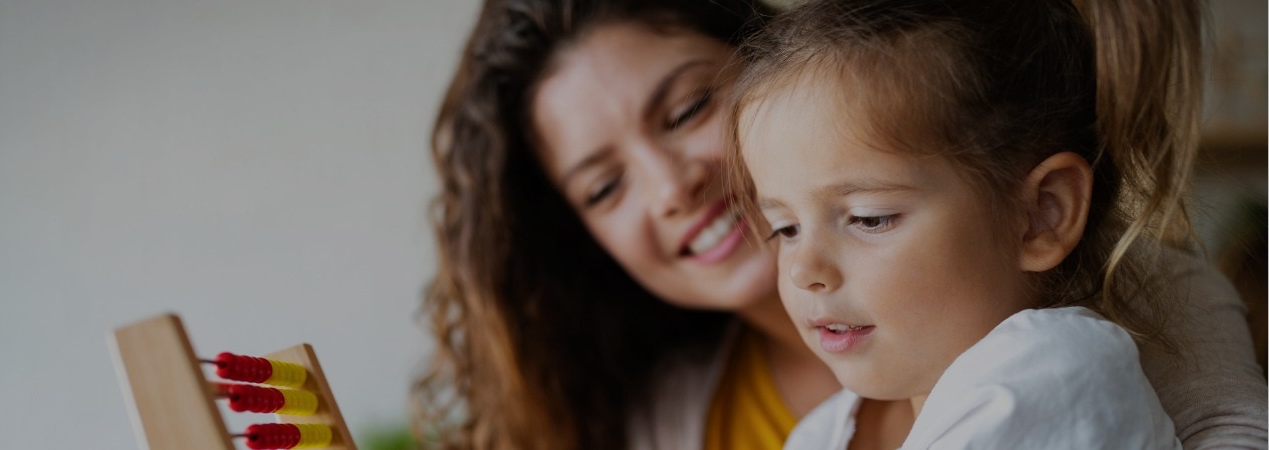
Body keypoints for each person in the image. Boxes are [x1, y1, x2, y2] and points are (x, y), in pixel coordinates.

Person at [415, 0, 1268, 449]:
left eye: (685, 109)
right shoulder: (714, 420)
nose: (671, 186)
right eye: (603, 188)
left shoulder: (1106, 315)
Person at [728, 0, 1200, 447]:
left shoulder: (1053, 371)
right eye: (785, 228)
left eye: (870, 219)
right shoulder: (823, 431)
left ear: (1041, 215)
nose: (802, 269)